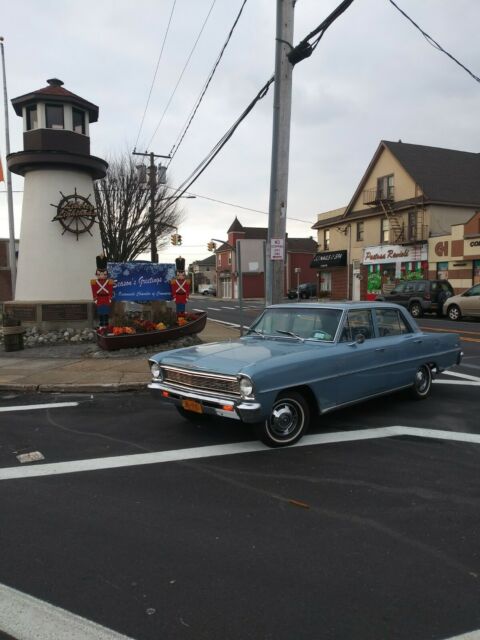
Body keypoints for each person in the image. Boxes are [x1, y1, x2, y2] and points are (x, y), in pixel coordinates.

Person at [91, 254, 114, 328]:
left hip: (106, 298)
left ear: (106, 274)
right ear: (97, 274)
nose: (101, 275)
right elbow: (94, 290)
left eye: (103, 274)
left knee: (106, 312)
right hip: (99, 299)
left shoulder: (109, 281)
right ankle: (101, 324)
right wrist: (95, 298)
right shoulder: (94, 282)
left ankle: (106, 324)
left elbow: (110, 290)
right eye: (99, 274)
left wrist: (110, 298)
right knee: (100, 312)